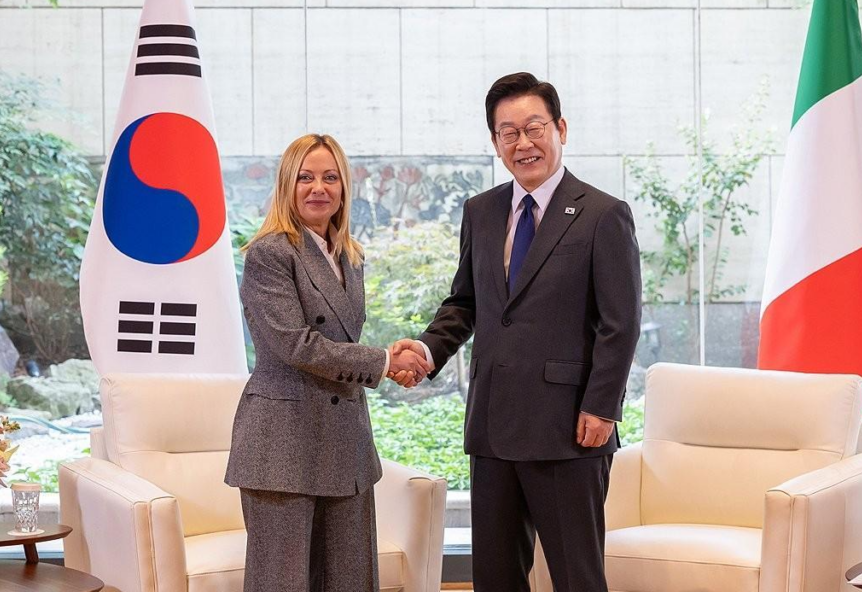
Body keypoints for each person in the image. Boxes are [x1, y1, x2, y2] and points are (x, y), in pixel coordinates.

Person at [393, 72, 642, 592]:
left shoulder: (602, 214)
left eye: (534, 128)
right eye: (509, 132)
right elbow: (465, 303)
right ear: (495, 143)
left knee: (577, 577)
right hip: (494, 425)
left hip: (570, 429)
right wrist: (425, 350)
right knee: (496, 577)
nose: (523, 143)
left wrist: (602, 406)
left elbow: (620, 323)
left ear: (561, 129)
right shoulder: (480, 212)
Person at [225, 133, 428, 592]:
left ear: (344, 187)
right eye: (306, 177)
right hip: (282, 444)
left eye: (330, 177)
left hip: (345, 442)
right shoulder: (270, 253)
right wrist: (382, 361)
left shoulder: (349, 256)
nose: (319, 188)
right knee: (284, 582)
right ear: (286, 185)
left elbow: (337, 339)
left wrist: (387, 358)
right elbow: (295, 345)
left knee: (350, 579)